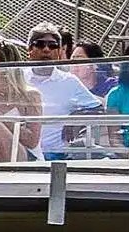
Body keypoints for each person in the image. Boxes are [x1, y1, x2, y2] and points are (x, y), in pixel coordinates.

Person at [24, 22, 102, 159]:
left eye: (53, 45)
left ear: (60, 52)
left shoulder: (69, 81)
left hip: (56, 155)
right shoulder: (18, 78)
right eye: (40, 44)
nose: (47, 50)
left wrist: (75, 118)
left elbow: (98, 108)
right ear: (29, 49)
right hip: (22, 154)